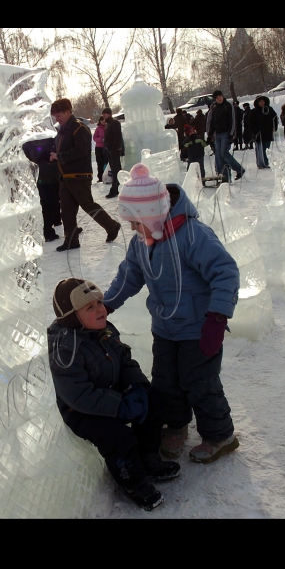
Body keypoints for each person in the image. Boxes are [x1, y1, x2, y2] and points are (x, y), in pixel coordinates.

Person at [104, 164, 241, 465]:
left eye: (136, 222)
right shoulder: (144, 241)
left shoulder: (193, 235)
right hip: (165, 327)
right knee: (166, 381)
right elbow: (130, 275)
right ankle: (175, 425)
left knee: (200, 382)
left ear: (153, 215)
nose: (132, 230)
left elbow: (225, 272)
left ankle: (220, 435)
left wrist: (217, 317)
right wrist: (106, 305)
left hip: (198, 328)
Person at [48, 278, 179, 512]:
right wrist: (119, 406)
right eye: (90, 307)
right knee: (117, 436)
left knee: (154, 402)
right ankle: (134, 482)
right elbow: (78, 395)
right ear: (71, 316)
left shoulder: (104, 329)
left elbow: (124, 360)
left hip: (112, 392)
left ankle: (148, 458)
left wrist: (137, 385)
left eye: (99, 302)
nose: (100, 308)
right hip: (81, 410)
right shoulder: (65, 349)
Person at [50, 99, 120, 252]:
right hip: (65, 176)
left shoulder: (79, 128)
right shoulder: (62, 131)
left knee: (88, 205)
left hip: (79, 175)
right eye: (55, 116)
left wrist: (59, 156)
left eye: (59, 114)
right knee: (66, 210)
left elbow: (80, 151)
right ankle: (71, 239)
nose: (57, 118)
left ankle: (112, 226)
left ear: (68, 111)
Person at [23, 136, 62, 243]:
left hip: (45, 175)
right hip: (46, 175)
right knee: (49, 203)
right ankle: (48, 230)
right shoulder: (46, 137)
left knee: (49, 203)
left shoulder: (30, 139)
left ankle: (51, 226)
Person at [207, 90, 245, 182]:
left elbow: (232, 120)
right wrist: (210, 134)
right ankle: (225, 176)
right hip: (217, 134)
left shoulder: (228, 106)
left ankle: (239, 169)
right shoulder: (214, 108)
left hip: (226, 133)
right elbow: (211, 122)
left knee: (224, 154)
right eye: (217, 97)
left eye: (220, 96)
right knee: (219, 156)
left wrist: (231, 134)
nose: (219, 98)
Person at [248, 95, 278, 169]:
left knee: (266, 148)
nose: (262, 103)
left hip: (267, 132)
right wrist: (255, 131)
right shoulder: (254, 111)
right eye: (260, 101)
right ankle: (260, 163)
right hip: (258, 133)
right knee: (259, 148)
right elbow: (250, 122)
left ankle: (266, 162)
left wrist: (274, 127)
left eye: (263, 101)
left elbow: (275, 118)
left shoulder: (269, 109)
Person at [102, 108, 123, 199]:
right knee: (115, 169)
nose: (103, 116)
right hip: (109, 150)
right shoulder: (108, 124)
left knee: (115, 170)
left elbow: (117, 137)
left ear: (109, 114)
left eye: (105, 114)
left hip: (114, 150)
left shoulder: (115, 123)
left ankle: (115, 189)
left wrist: (115, 148)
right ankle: (117, 188)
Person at [93, 116, 107, 183]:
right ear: (100, 121)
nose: (103, 121)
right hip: (99, 148)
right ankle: (100, 177)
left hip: (106, 148)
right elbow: (94, 138)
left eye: (104, 120)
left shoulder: (108, 127)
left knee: (106, 163)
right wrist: (101, 140)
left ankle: (107, 176)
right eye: (102, 120)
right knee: (100, 163)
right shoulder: (98, 128)